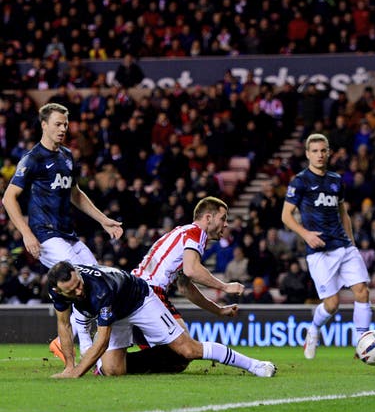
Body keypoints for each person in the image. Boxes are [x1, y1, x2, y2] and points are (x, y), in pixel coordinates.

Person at [1, 102, 123, 357]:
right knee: (82, 281)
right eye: (58, 123)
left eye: (65, 124)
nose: (63, 128)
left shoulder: (67, 156)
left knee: (98, 278)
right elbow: (8, 198)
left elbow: (76, 195)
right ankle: (89, 353)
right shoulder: (32, 159)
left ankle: (62, 342)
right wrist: (26, 233)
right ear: (44, 125)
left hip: (68, 236)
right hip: (45, 236)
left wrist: (103, 220)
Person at [47, 261, 276, 378]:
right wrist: (69, 367)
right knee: (113, 371)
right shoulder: (56, 290)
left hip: (139, 300)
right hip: (115, 312)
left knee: (189, 349)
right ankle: (158, 357)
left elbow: (104, 339)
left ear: (78, 274)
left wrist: (78, 373)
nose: (78, 291)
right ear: (58, 289)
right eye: (72, 291)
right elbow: (64, 324)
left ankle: (254, 366)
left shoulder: (100, 288)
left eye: (79, 284)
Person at [127, 196, 246, 373]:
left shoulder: (182, 233)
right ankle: (114, 364)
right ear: (208, 218)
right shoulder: (197, 233)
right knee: (184, 353)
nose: (226, 224)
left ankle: (114, 364)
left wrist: (219, 310)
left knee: (177, 358)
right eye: (223, 218)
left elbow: (185, 287)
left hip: (135, 290)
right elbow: (192, 270)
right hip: (148, 293)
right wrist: (225, 286)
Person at [281, 133, 372, 359]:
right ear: (307, 154)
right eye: (315, 151)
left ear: (329, 152)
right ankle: (313, 330)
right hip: (319, 251)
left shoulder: (336, 180)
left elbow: (344, 213)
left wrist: (350, 242)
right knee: (332, 305)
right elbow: (286, 216)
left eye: (323, 150)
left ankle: (361, 344)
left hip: (343, 245)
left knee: (362, 291)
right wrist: (305, 234)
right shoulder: (300, 181)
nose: (320, 155)